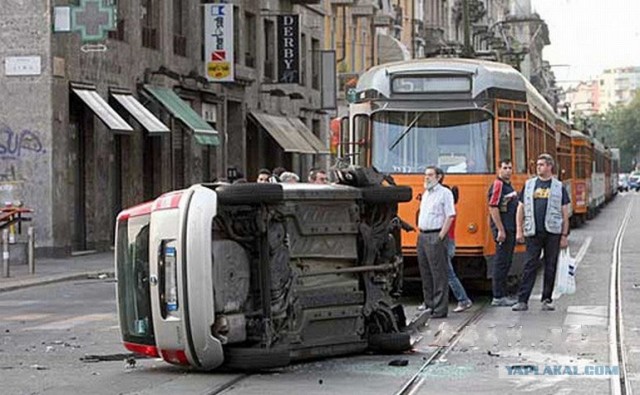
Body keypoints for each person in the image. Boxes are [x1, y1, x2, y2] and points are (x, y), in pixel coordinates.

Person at [512, 153, 570, 312]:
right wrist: (519, 229)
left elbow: (565, 211)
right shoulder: (529, 185)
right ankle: (522, 300)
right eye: (537, 165)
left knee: (550, 266)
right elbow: (521, 208)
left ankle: (547, 299)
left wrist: (564, 235)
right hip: (533, 232)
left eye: (542, 165)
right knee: (529, 265)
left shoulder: (558, 187)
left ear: (550, 166)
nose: (539, 167)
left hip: (553, 232)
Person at [416, 166, 456, 318]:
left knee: (438, 273)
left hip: (435, 235)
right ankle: (429, 305)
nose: (426, 178)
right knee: (425, 272)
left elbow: (450, 215)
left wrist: (441, 236)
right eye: (425, 175)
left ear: (439, 177)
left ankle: (439, 309)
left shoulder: (445, 193)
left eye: (430, 175)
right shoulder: (426, 193)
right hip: (423, 236)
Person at [487, 159, 519, 307]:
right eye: (505, 167)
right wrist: (500, 229)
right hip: (504, 229)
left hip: (509, 228)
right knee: (501, 262)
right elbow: (493, 207)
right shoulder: (498, 185)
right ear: (499, 169)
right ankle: (498, 296)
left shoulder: (508, 185)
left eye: (510, 168)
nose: (508, 170)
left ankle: (502, 293)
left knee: (506, 262)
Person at [439, 176, 472, 313]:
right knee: (441, 273)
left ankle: (463, 299)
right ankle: (431, 301)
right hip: (449, 242)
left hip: (445, 242)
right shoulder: (451, 209)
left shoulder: (448, 211)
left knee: (447, 273)